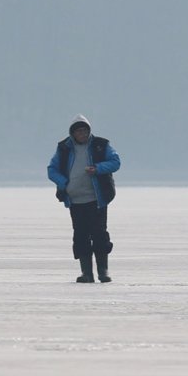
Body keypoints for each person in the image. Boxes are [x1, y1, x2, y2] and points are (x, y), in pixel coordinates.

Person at [47, 115, 121, 283]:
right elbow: (52, 170)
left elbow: (116, 162)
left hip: (97, 199)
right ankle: (86, 273)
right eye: (79, 131)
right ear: (73, 133)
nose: (83, 134)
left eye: (85, 130)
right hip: (75, 201)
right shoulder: (64, 148)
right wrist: (64, 183)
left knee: (100, 235)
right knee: (81, 236)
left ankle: (103, 272)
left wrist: (97, 169)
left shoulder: (101, 145)